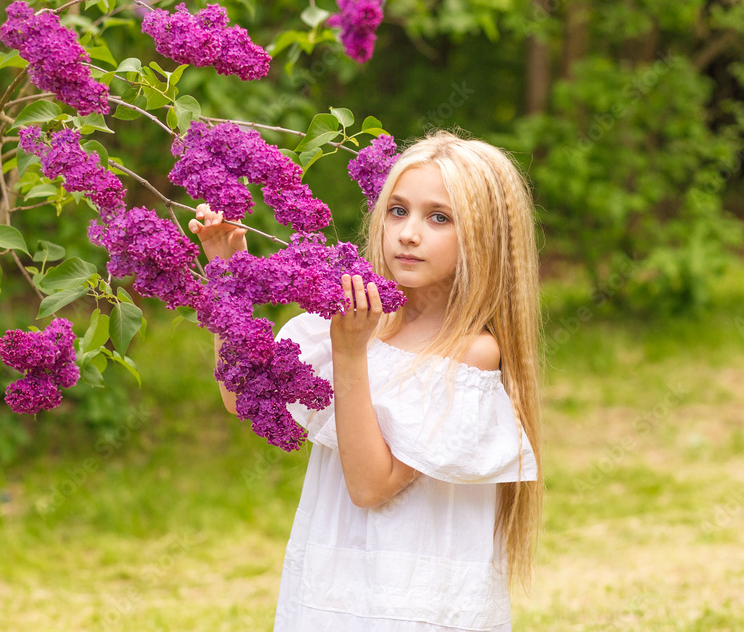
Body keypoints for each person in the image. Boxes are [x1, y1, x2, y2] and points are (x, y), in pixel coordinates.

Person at [189, 130, 542, 631]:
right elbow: (238, 396)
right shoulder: (347, 316)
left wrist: (351, 353)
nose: (409, 233)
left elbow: (371, 487)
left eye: (438, 217)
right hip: (333, 580)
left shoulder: (469, 354)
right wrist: (225, 273)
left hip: (411, 599)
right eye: (397, 211)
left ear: (485, 238)